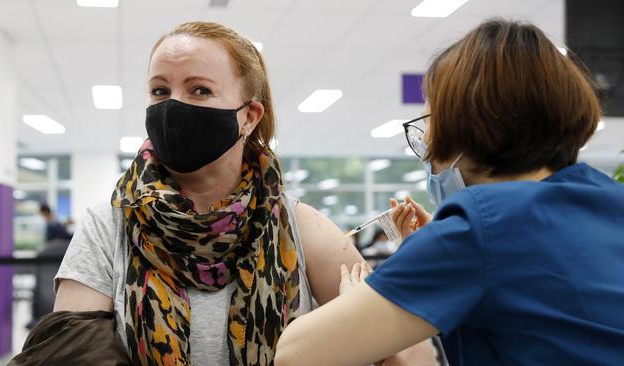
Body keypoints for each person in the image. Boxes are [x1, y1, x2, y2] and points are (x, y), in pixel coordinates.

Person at [28, 21, 435, 366]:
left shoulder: (301, 227)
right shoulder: (109, 226)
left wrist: (402, 288)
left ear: (249, 117)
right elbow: (72, 355)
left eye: (199, 90)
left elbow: (402, 353)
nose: (173, 107)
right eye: (159, 91)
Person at [274, 19, 624, 366]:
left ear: (468, 125)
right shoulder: (607, 198)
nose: (427, 146)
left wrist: (357, 299)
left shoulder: (479, 229)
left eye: (429, 125)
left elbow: (296, 354)